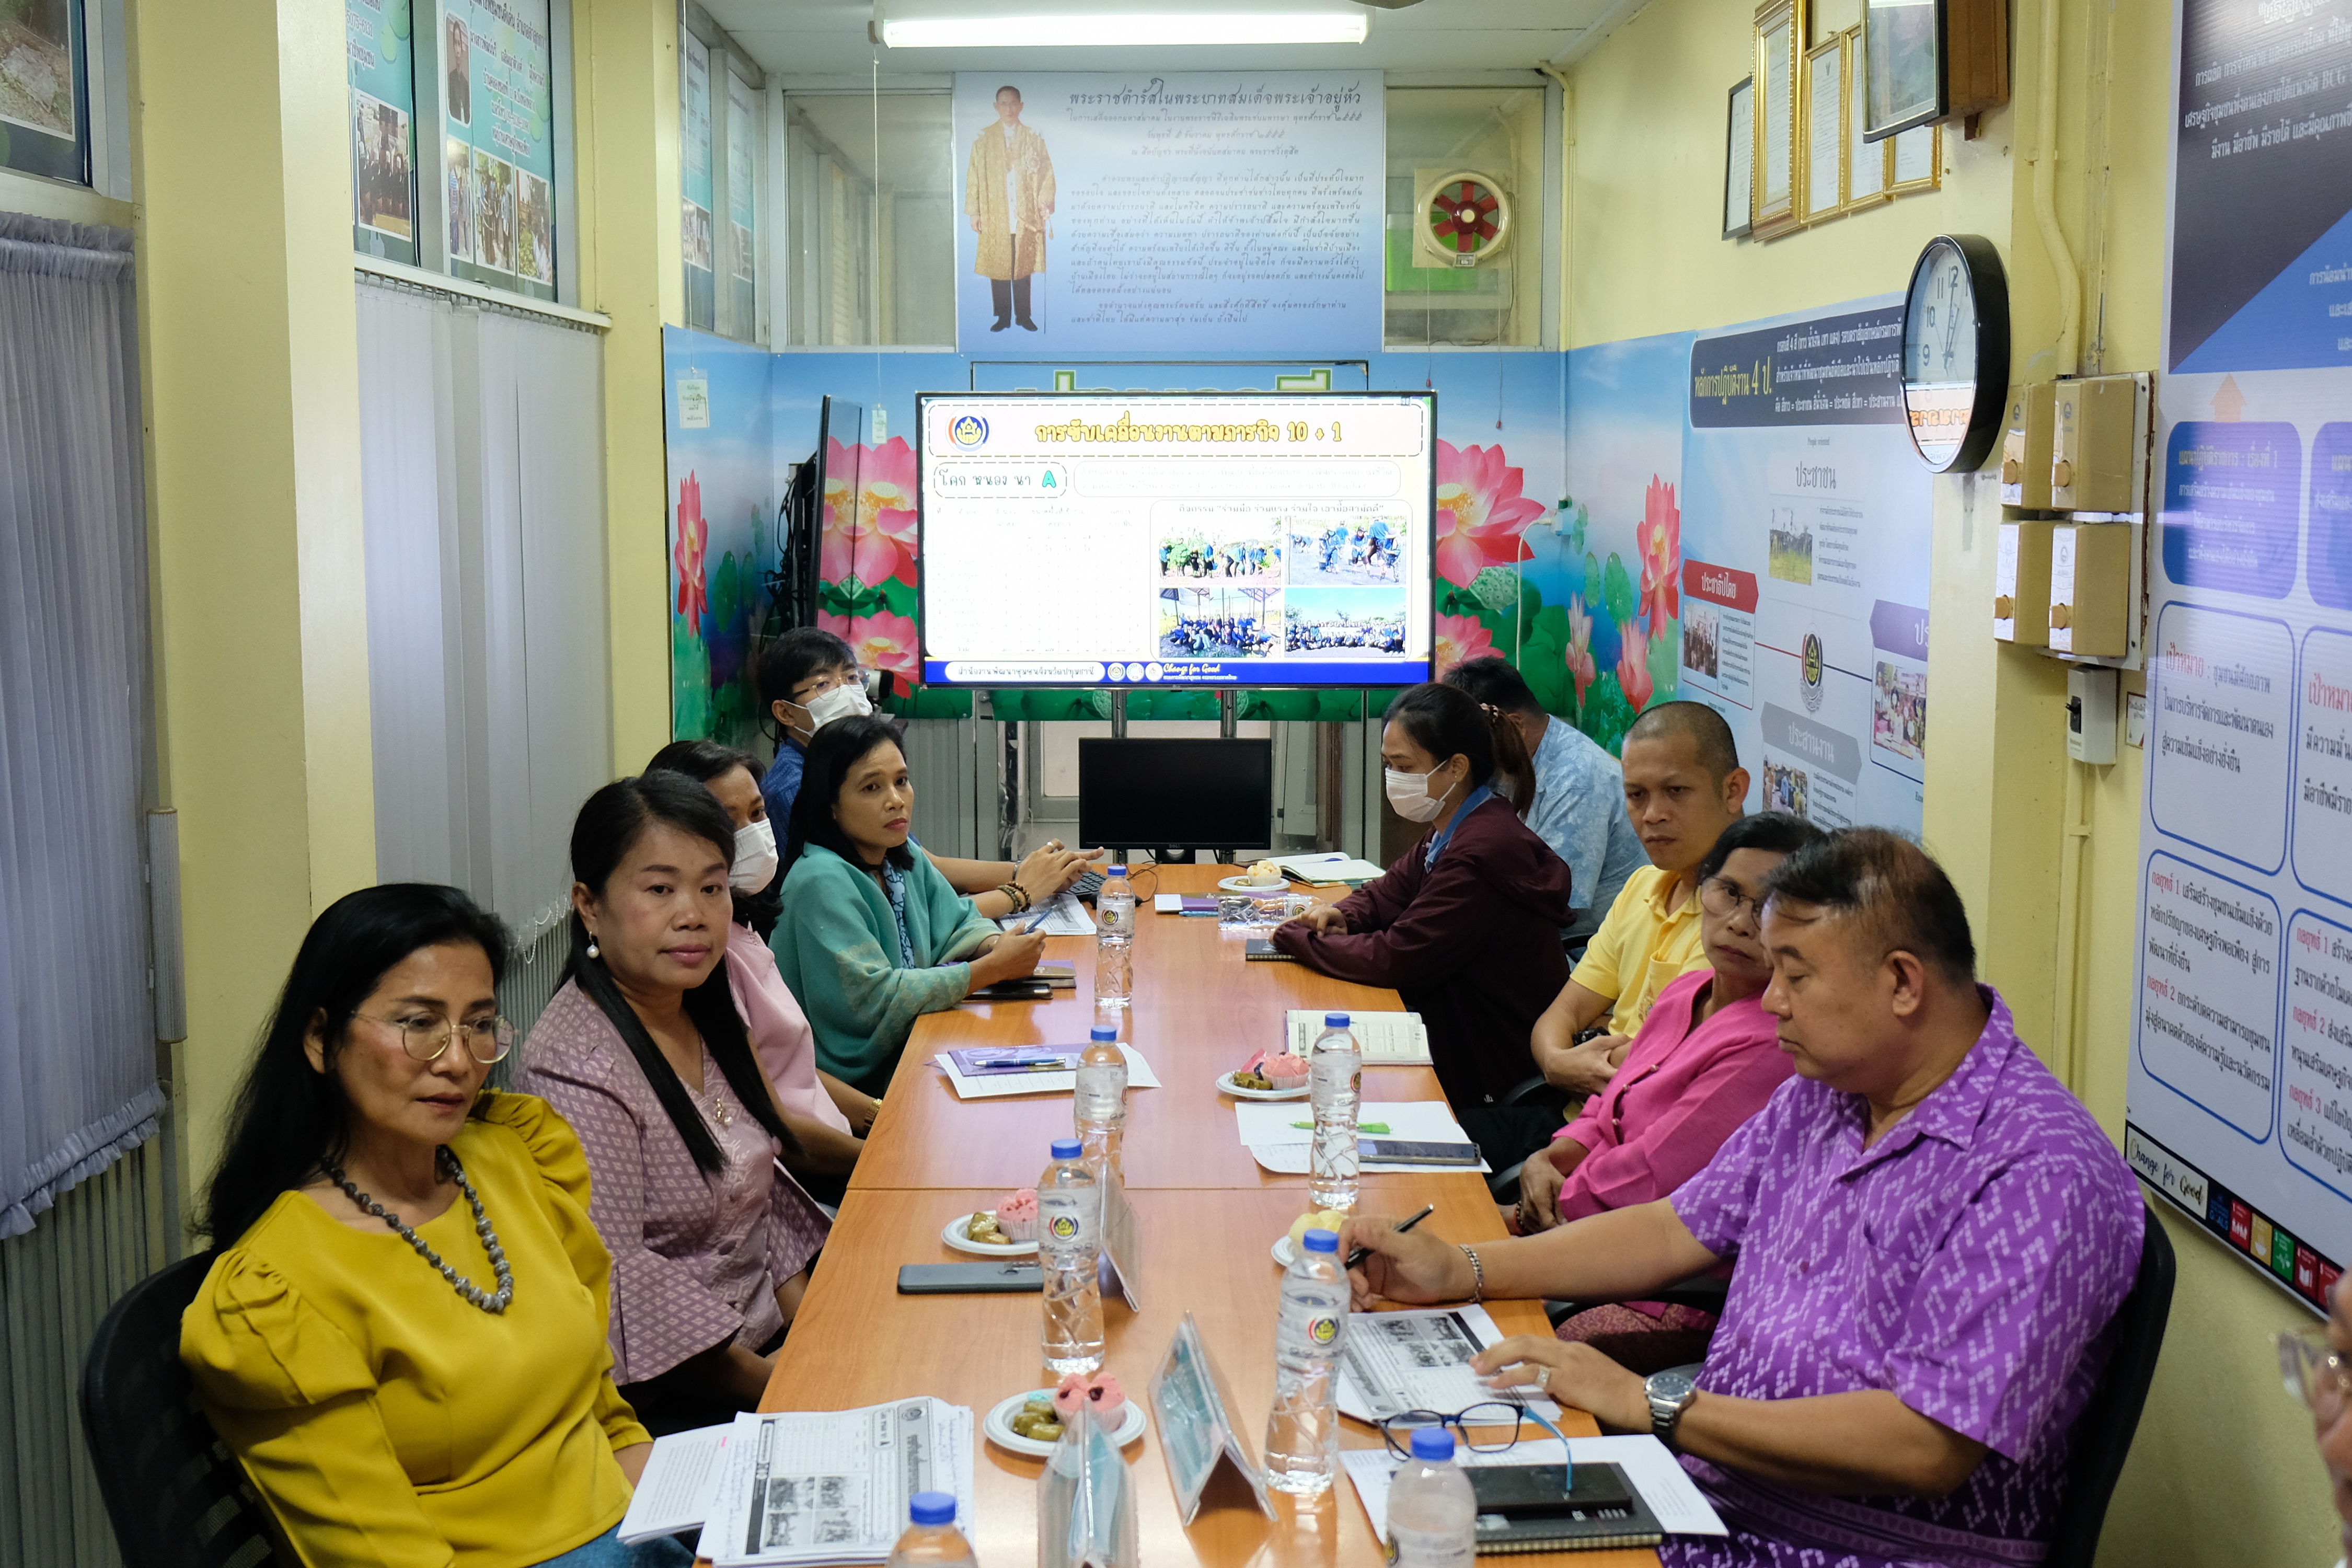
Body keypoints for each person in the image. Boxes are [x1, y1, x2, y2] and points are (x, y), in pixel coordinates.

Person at [1343, 830, 2145, 1568]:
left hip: (1859, 1551)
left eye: (1796, 975)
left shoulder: (2040, 1172)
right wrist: (1463, 1269)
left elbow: (1926, 1443)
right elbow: (1671, 1231)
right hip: (1712, 1506)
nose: (1771, 1002)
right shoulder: (1829, 1094)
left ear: (1903, 982)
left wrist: (1648, 1405)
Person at [180, 884, 686, 1566]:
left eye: (479, 1024)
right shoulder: (278, 1293)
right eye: (418, 1023)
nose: (456, 1060)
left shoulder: (510, 1160)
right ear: (320, 1038)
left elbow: (601, 1409)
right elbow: (380, 1553)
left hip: (636, 1526)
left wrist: (698, 1512)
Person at [515, 773, 831, 1437]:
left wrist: (823, 1341)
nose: (694, 913)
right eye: (660, 889)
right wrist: (798, 1392)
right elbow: (621, 1284)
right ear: (589, 906)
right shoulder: (577, 1069)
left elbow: (761, 1198)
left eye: (712, 888)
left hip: (769, 1359)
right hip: (673, 1401)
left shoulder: (701, 1008)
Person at [1513, 813, 1824, 1374]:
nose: (1739, 923)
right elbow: (1610, 1105)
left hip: (1662, 1285)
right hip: (1581, 1224)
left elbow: (1654, 1175)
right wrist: (1551, 1157)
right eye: (1728, 893)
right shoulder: (1687, 989)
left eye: (1770, 908)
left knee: (1505, 1345)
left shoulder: (1774, 1043)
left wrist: (1549, 1206)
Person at [1272, 683, 1573, 1167]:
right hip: (1453, 1039)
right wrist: (1341, 914)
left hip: (1492, 1077)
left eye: (1404, 767)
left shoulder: (1481, 851)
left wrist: (1296, 937)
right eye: (1388, 765)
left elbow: (1395, 958)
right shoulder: (1455, 827)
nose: (1393, 778)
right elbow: (1386, 893)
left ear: (1455, 767)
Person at [648, 740, 874, 1200]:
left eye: (757, 814)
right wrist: (881, 1155)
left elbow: (792, 1068)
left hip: (836, 1152)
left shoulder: (743, 929)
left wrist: (879, 1116)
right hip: (804, 1183)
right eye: (726, 821)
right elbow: (775, 1128)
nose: (751, 833)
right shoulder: (702, 956)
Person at [774, 714, 1048, 1095]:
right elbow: (874, 1000)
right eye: (872, 787)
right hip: (857, 1086)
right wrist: (990, 969)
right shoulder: (819, 881)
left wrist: (994, 945)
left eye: (901, 781)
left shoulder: (902, 857)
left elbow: (957, 921)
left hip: (914, 1047)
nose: (896, 800)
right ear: (831, 805)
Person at [757, 626, 1096, 919]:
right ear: (785, 713)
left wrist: (1033, 871)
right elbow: (904, 914)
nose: (846, 691)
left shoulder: (842, 763)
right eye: (824, 685)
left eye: (851, 678)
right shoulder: (792, 791)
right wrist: (1022, 889)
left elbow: (920, 864)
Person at [1528, 700, 1749, 1099]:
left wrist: (1587, 1039)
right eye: (1636, 795)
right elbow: (1559, 1017)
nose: (1652, 815)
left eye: (1675, 791)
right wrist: (1556, 1063)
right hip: (1575, 1113)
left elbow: (1657, 1060)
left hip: (1627, 1136)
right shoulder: (1642, 885)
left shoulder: (1740, 923)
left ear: (1733, 790)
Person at [1444, 655, 1646, 946]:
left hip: (1583, 946)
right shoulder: (1507, 758)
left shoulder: (1579, 780)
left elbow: (1554, 904)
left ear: (1515, 726)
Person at [965, 84, 1055, 331]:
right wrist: (975, 212)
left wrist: (1045, 203)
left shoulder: (1034, 139)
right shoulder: (983, 142)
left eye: (1013, 103)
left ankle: (1023, 316)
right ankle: (1002, 316)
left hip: (1025, 214)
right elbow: (973, 176)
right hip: (996, 213)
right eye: (1003, 104)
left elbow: (1047, 174)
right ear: (996, 107)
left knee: (1023, 265)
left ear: (1021, 106)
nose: (1009, 108)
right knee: (1000, 265)